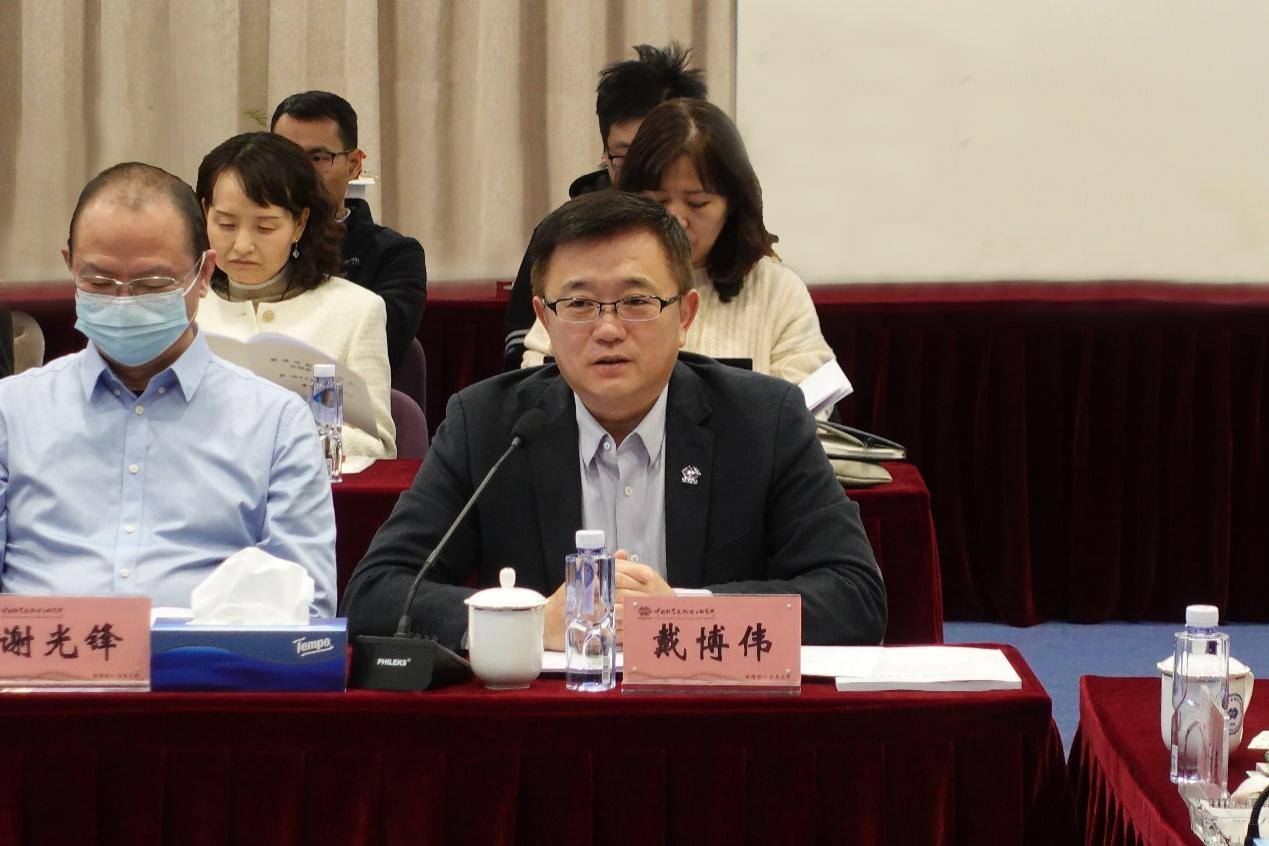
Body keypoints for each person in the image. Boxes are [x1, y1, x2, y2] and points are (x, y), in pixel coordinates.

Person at [342, 192, 886, 650]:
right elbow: (377, 592)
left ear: (685, 316)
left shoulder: (764, 420)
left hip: (711, 718)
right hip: (545, 727)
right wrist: (531, 622)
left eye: (636, 301)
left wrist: (685, 614)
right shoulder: (488, 425)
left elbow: (854, 596)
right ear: (544, 319)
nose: (607, 330)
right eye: (579, 305)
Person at [0, 162, 336, 613]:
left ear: (204, 273)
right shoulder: (12, 412)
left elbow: (305, 607)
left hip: (205, 658)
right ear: (69, 266)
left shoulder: (275, 422)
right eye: (98, 282)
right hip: (41, 654)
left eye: (152, 284)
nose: (123, 301)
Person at [522, 99, 837, 389]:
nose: (675, 219)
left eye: (697, 203)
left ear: (732, 204)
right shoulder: (585, 277)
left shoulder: (777, 290)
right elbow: (537, 382)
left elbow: (807, 407)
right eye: (657, 201)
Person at [502, 43, 708, 370]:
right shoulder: (563, 236)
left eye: (656, 157)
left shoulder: (719, 232)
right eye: (625, 159)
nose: (641, 176)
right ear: (605, 154)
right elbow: (520, 365)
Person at [195, 132, 397, 458]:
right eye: (226, 224)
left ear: (300, 223)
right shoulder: (184, 307)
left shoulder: (356, 310)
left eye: (265, 227)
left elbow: (377, 446)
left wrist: (278, 436)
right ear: (206, 214)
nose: (242, 245)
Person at [271, 91, 427, 370]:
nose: (299, 172)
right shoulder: (242, 246)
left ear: (354, 165)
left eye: (317, 158)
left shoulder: (394, 255)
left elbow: (374, 346)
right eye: (286, 157)